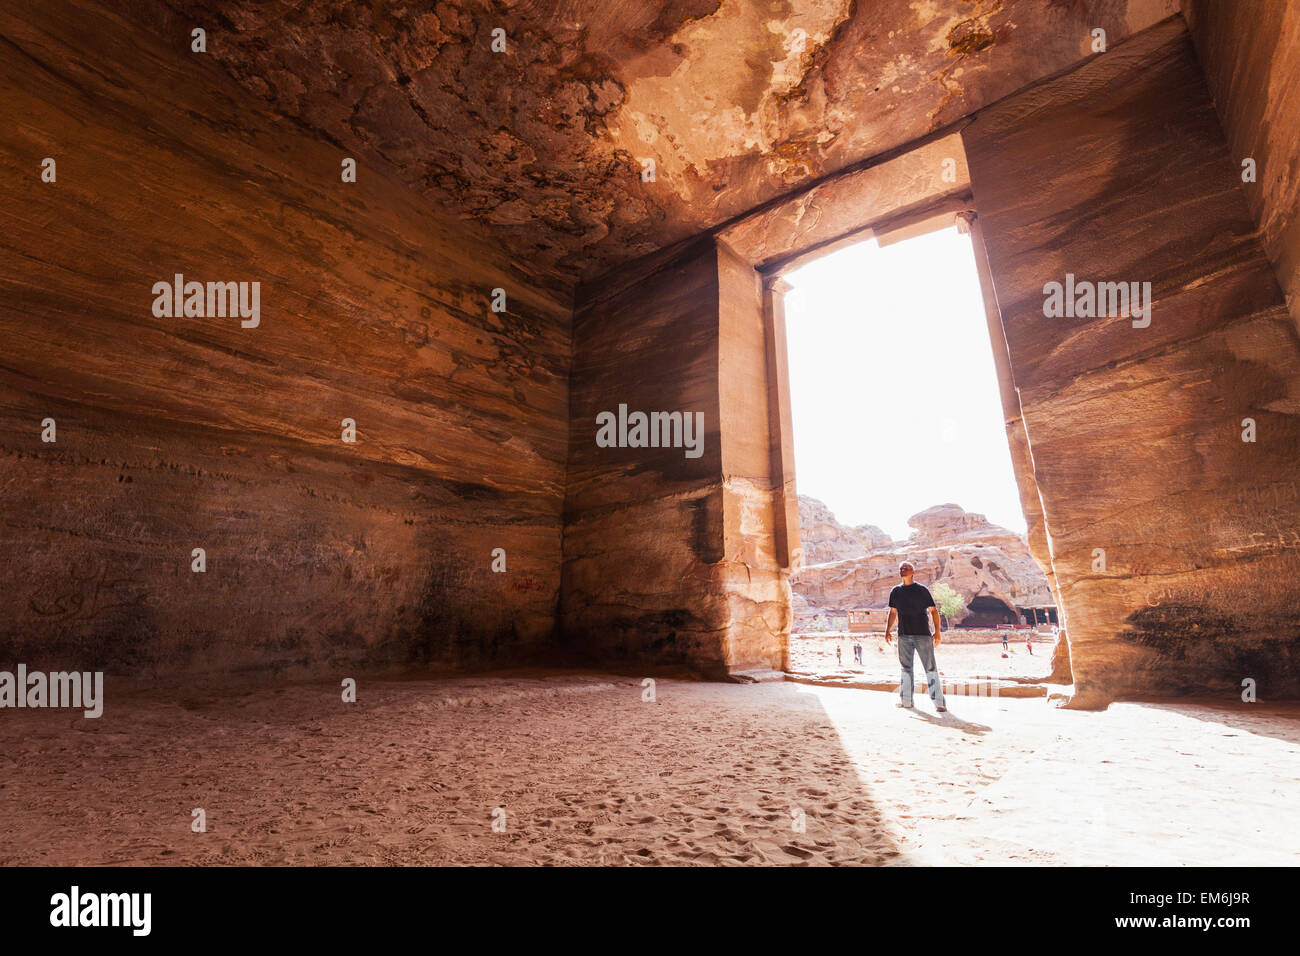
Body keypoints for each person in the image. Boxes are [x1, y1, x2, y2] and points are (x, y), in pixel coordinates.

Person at [884, 561, 947, 712]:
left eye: (906, 568)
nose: (903, 570)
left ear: (913, 572)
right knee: (906, 669)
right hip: (903, 635)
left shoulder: (922, 590)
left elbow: (933, 611)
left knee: (930, 668)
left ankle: (939, 703)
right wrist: (887, 630)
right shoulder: (895, 591)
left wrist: (937, 632)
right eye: (901, 569)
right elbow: (893, 612)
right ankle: (906, 701)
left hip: (923, 635)